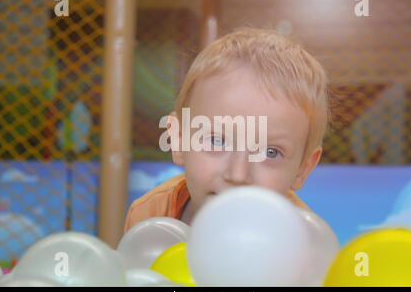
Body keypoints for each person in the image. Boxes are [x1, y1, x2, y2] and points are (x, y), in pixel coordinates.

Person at [124, 27, 330, 233]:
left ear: (303, 168)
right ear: (179, 139)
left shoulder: (302, 244)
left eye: (270, 152)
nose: (238, 174)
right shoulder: (150, 216)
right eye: (216, 140)